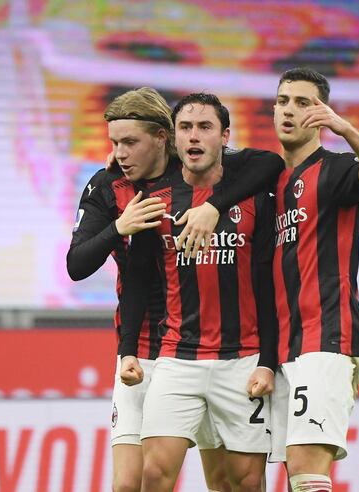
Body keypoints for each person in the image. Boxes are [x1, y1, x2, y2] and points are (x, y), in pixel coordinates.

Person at [119, 93, 280, 492]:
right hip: (177, 357)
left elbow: (268, 285)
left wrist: (268, 361)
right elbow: (137, 282)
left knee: (245, 481)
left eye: (204, 127)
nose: (194, 136)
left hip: (243, 359)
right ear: (173, 139)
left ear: (225, 136)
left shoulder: (255, 197)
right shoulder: (155, 203)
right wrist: (127, 351)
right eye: (185, 128)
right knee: (153, 474)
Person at [268, 67, 359, 492]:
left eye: (303, 103)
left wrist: (345, 129)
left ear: (320, 112)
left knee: (307, 470)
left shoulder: (336, 169)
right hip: (283, 347)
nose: (290, 110)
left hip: (326, 338)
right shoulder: (271, 182)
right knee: (292, 471)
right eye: (284, 101)